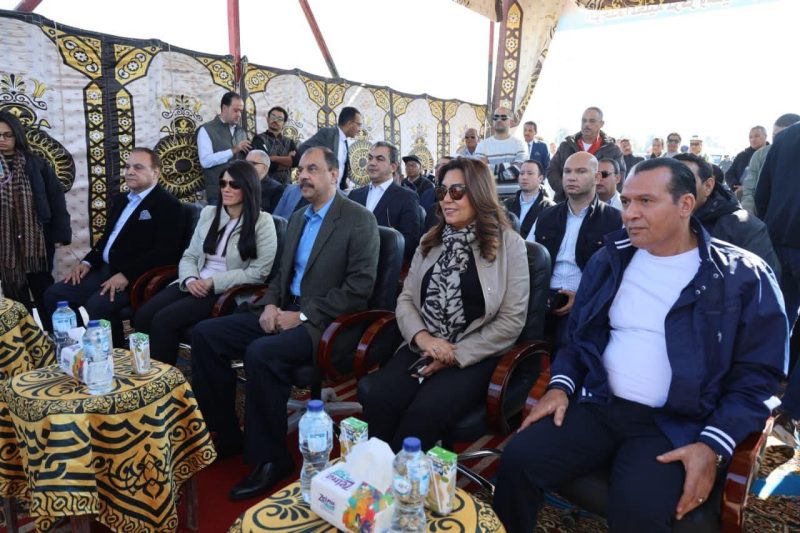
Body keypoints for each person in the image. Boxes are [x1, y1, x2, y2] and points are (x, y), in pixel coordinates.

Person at [494, 158, 787, 533]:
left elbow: (759, 376)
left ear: (685, 204)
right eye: (627, 201)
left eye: (645, 201)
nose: (629, 213)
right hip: (599, 402)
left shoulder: (741, 276)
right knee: (518, 459)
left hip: (677, 422)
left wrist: (713, 444)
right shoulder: (611, 258)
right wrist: (560, 385)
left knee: (637, 511)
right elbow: (579, 336)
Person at [190, 146, 379, 500]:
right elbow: (280, 274)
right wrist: (272, 304)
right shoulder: (298, 217)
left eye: (312, 169)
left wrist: (302, 315)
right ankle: (226, 434)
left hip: (326, 323)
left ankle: (272, 460)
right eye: (300, 170)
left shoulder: (358, 219)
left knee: (262, 353)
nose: (303, 176)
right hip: (284, 309)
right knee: (206, 335)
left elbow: (358, 289)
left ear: (334, 174)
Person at [362, 157, 529, 452]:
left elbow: (511, 320)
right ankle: (376, 473)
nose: (446, 200)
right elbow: (406, 299)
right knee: (380, 399)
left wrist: (454, 354)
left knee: (424, 413)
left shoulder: (509, 245)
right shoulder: (431, 239)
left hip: (476, 352)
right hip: (425, 344)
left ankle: (403, 478)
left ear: (479, 194)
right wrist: (424, 339)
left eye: (457, 191)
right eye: (442, 191)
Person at [133, 160, 277, 365]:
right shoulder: (209, 213)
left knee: (163, 321)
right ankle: (143, 372)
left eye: (234, 184)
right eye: (223, 183)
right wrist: (190, 279)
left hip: (224, 290)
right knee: (143, 315)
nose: (226, 189)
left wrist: (213, 282)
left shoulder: (262, 222)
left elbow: (258, 272)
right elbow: (190, 256)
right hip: (194, 281)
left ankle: (164, 380)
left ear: (248, 187)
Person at [44, 148, 184, 345]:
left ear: (155, 172)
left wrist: (126, 274)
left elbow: (165, 253)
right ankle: (74, 347)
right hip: (104, 270)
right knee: (55, 294)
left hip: (137, 278)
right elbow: (106, 240)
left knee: (97, 306)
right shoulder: (121, 200)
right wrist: (86, 263)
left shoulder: (169, 205)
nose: (130, 172)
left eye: (138, 167)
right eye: (127, 167)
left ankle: (113, 356)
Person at [534, 152, 622, 349]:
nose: (571, 177)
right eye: (567, 171)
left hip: (587, 304)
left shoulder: (615, 220)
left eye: (581, 171)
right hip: (544, 300)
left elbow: (617, 275)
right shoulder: (546, 216)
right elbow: (528, 262)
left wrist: (583, 298)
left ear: (597, 177)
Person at [0, 111, 70, 321]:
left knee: (42, 286)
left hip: (37, 240)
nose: (2, 139)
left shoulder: (35, 164)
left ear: (17, 135)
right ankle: (23, 334)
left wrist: (60, 234)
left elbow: (56, 198)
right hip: (4, 241)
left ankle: (53, 331)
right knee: (14, 288)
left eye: (7, 135)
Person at [673, 153, 780, 275]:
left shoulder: (745, 228)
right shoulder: (657, 223)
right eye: (666, 184)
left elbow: (764, 280)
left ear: (708, 186)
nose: (672, 190)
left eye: (684, 181)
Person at [349, 142, 421, 260]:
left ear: (393, 167)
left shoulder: (407, 197)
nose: (372, 163)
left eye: (380, 159)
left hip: (384, 264)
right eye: (370, 158)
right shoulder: (354, 195)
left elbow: (409, 242)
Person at [547, 107, 625, 202]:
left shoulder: (613, 150)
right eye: (584, 120)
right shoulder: (566, 146)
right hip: (565, 202)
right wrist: (566, 190)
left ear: (601, 124)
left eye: (592, 121)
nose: (586, 124)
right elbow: (552, 171)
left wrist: (595, 199)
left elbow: (619, 178)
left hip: (599, 205)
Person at [741, 114, 800, 216]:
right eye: (775, 136)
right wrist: (750, 216)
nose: (778, 141)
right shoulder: (760, 155)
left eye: (783, 136)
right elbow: (749, 190)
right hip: (765, 216)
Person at [197, 91, 250, 204]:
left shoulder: (241, 132)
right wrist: (233, 150)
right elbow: (205, 161)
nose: (239, 115)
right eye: (235, 110)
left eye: (241, 111)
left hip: (240, 193)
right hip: (218, 195)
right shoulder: (207, 130)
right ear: (225, 108)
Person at [296, 106, 362, 191]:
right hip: (322, 191)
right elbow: (303, 150)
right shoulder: (328, 134)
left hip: (335, 191)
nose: (359, 129)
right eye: (358, 125)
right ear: (349, 123)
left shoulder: (344, 141)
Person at [503, 160, 554, 240]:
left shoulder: (550, 208)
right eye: (522, 173)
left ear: (540, 178)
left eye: (530, 173)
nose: (524, 177)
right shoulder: (506, 205)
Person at [251, 105, 297, 185]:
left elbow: (295, 162)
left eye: (279, 119)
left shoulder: (290, 142)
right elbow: (264, 164)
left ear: (284, 123)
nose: (275, 120)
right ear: (267, 119)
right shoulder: (258, 139)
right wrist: (287, 162)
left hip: (286, 187)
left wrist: (272, 158)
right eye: (273, 117)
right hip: (265, 187)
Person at [474, 106, 528, 173]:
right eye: (496, 117)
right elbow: (478, 169)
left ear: (511, 122)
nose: (499, 120)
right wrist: (510, 165)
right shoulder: (482, 145)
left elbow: (518, 169)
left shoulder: (520, 144)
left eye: (503, 117)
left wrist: (490, 167)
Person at [725, 126, 768, 191]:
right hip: (741, 195)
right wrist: (736, 186)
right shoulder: (742, 156)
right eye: (750, 137)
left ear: (765, 136)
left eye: (757, 136)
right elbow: (729, 174)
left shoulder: (772, 154)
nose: (753, 139)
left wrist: (748, 189)